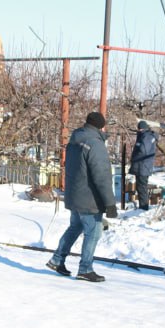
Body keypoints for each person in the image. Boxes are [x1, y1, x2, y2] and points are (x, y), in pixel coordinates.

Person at [47, 111, 118, 282]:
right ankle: (85, 269)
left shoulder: (75, 139)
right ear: (101, 126)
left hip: (75, 194)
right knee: (93, 232)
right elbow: (101, 175)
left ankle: (57, 260)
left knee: (75, 227)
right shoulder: (95, 143)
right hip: (89, 197)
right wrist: (110, 203)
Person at [129, 120, 158, 209]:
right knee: (141, 187)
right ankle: (143, 206)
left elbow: (143, 150)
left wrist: (136, 156)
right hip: (144, 166)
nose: (139, 130)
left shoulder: (146, 137)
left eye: (140, 129)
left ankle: (144, 207)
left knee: (141, 187)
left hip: (142, 166)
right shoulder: (148, 136)